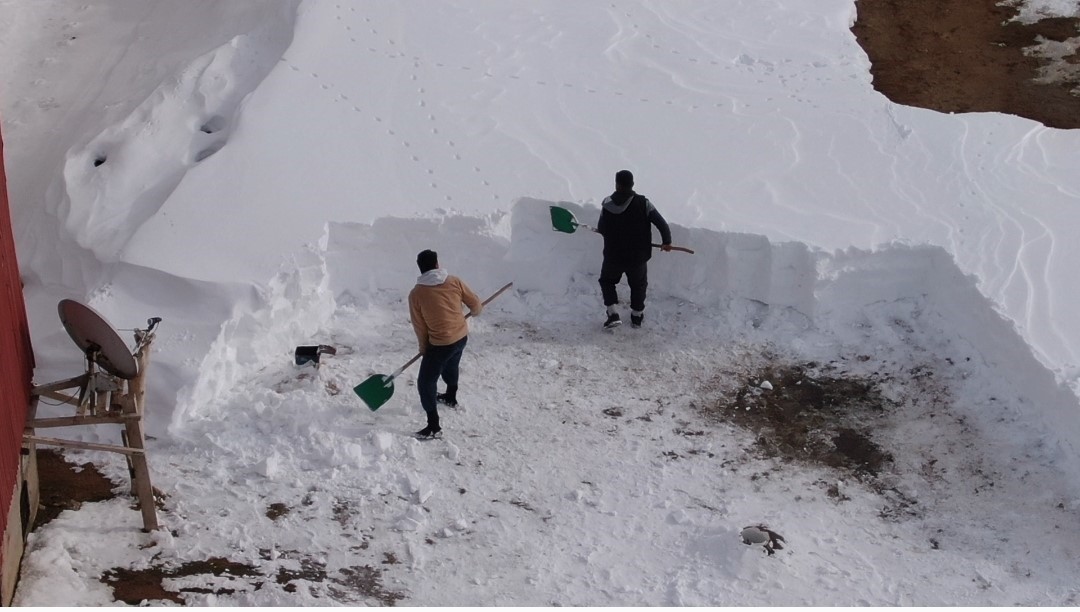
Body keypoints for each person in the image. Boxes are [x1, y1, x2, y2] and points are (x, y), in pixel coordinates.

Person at [408, 249, 483, 439]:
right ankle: (451, 396)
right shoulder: (454, 281)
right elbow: (475, 303)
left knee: (425, 382)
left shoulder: (416, 294)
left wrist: (424, 348)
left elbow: (420, 326)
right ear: (437, 265)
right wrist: (475, 311)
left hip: (440, 344)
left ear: (421, 269)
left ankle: (433, 427)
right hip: (461, 337)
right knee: (451, 364)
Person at [597, 170, 672, 329]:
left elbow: (602, 228)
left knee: (607, 281)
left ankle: (612, 314)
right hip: (637, 256)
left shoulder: (607, 204)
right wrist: (666, 242)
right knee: (638, 285)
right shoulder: (643, 203)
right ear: (632, 184)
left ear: (617, 184)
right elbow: (661, 224)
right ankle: (637, 317)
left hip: (613, 256)